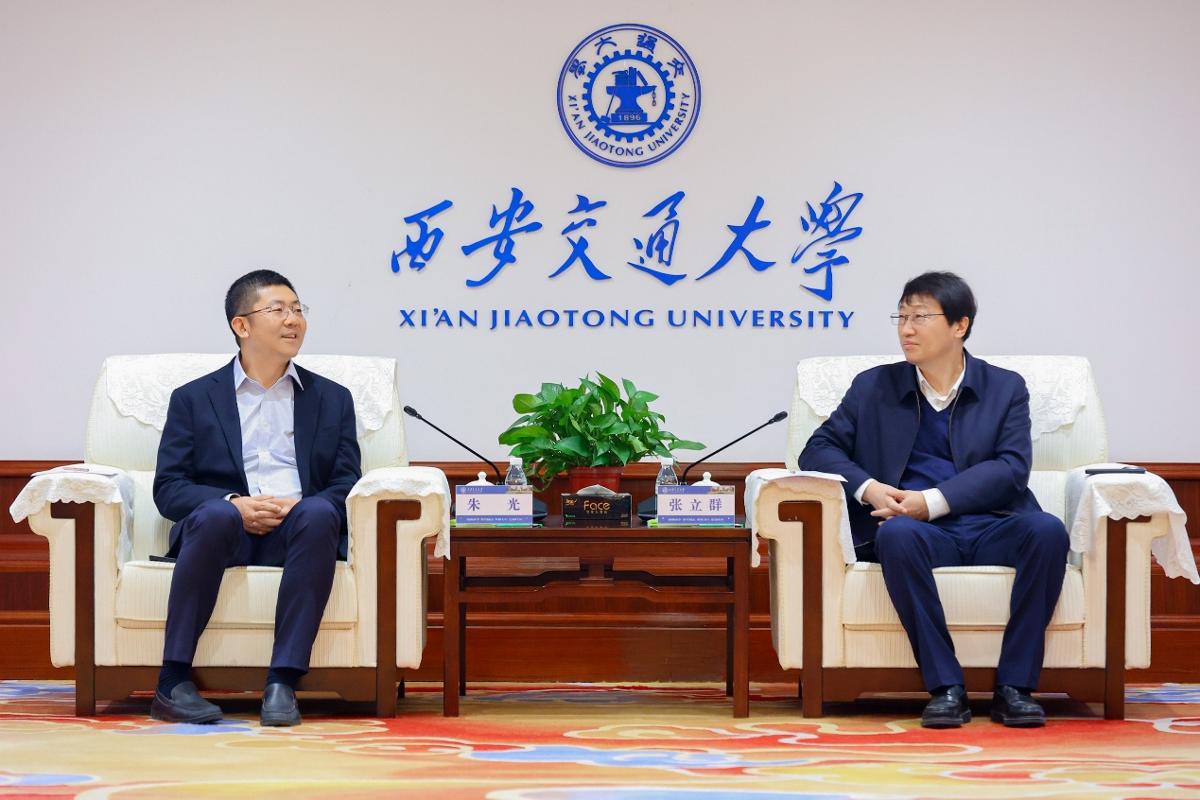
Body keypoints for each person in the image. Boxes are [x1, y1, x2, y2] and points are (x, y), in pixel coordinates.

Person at [799, 271, 1069, 728]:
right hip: (917, 532)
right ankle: (946, 687)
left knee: (1047, 530)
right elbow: (818, 449)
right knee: (896, 536)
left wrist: (934, 500)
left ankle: (1015, 688)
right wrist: (870, 488)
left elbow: (1011, 467)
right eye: (901, 317)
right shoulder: (873, 386)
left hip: (992, 524)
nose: (906, 329)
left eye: (920, 317)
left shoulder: (1005, 387)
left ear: (960, 325)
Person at [150, 270, 360, 727]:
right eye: (278, 309)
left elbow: (347, 484)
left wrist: (297, 506)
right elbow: (169, 487)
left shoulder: (332, 399)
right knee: (216, 515)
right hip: (223, 533)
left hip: (299, 533)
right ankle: (173, 681)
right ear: (241, 325)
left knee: (320, 511)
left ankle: (282, 682)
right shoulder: (193, 399)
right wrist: (234, 503)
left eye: (298, 309)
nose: (293, 320)